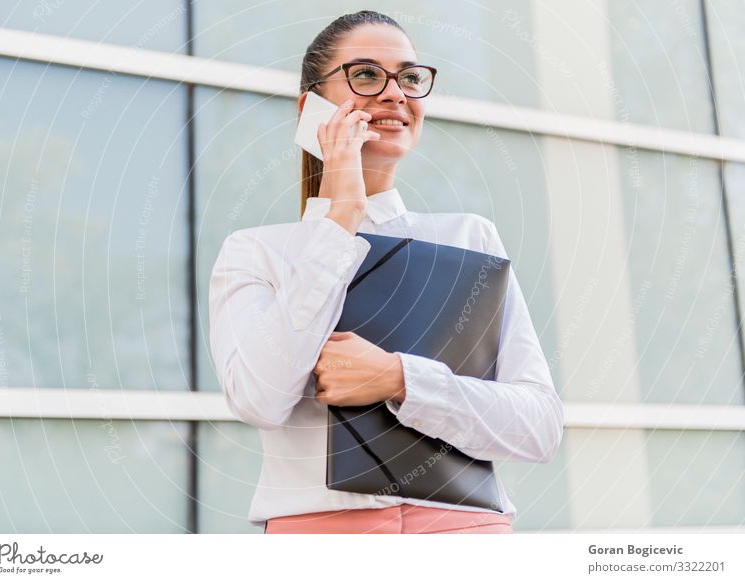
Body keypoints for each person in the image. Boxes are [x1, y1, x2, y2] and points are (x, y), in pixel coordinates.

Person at [208, 10, 564, 534]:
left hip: (466, 534)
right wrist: (341, 218)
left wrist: (399, 379)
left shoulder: (469, 238)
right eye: (367, 74)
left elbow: (539, 427)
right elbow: (259, 397)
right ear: (312, 110)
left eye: (411, 78)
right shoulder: (256, 253)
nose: (396, 93)